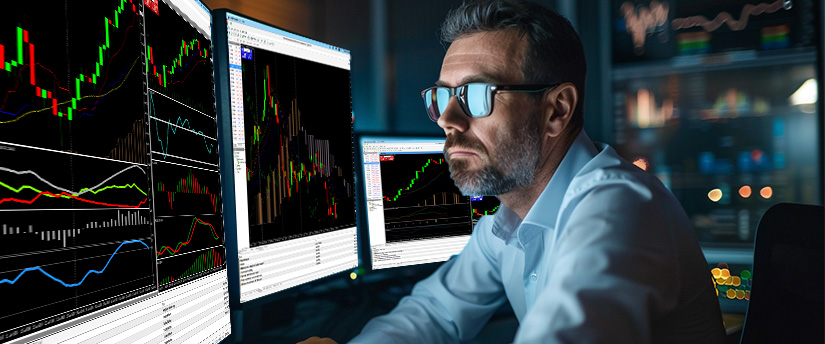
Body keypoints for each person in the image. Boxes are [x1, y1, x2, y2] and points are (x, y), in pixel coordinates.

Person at [302, 0, 726, 343]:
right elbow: (433, 313)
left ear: (556, 110)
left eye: (476, 94)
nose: (447, 119)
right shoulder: (506, 223)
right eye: (443, 96)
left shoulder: (620, 206)